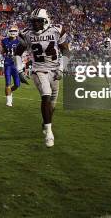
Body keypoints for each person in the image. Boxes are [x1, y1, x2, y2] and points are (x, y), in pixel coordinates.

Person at [15, 8, 69, 148]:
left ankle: (46, 123)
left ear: (45, 21)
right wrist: (19, 70)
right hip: (39, 70)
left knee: (52, 105)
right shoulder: (26, 34)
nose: (35, 25)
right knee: (46, 94)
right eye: (33, 22)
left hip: (55, 70)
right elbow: (18, 52)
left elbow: (65, 50)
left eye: (38, 22)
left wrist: (62, 68)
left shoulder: (56, 30)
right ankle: (49, 133)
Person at [0, 26, 27, 107]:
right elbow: (2, 52)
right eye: (11, 30)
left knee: (17, 84)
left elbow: (23, 52)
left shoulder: (20, 41)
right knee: (8, 83)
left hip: (16, 65)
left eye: (14, 30)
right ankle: (9, 101)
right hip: (8, 63)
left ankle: (10, 92)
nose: (13, 32)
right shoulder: (5, 41)